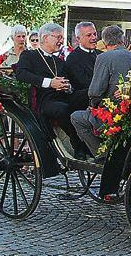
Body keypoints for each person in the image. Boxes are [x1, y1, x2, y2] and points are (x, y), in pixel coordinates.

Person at [71, 25, 131, 159]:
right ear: (123, 40)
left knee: (76, 117)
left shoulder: (104, 58)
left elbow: (94, 92)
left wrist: (93, 106)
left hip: (112, 115)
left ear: (105, 42)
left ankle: (102, 155)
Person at [15, 22, 89, 159]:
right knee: (62, 109)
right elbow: (21, 74)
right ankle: (77, 145)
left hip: (64, 95)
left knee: (87, 95)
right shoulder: (29, 56)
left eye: (62, 38)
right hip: (44, 99)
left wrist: (67, 86)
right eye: (58, 37)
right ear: (45, 38)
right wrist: (50, 83)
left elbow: (71, 82)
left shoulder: (59, 61)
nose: (61, 41)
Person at [64, 22, 102, 94]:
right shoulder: (72, 59)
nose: (94, 37)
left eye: (95, 34)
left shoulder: (101, 54)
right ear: (78, 39)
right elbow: (83, 83)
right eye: (89, 35)